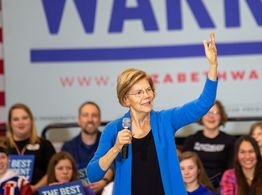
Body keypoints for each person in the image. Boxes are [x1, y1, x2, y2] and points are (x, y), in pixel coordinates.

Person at [87, 32, 219, 195]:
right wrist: (116, 148)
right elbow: (93, 175)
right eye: (139, 92)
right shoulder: (113, 130)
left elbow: (203, 104)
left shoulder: (165, 120)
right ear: (125, 100)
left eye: (149, 90)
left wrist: (213, 66)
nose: (147, 96)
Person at [62, 101, 113, 193]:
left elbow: (115, 166)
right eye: (85, 115)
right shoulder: (68, 147)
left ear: (99, 120)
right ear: (79, 120)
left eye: (94, 115)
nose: (90, 119)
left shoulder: (110, 143)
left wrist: (103, 181)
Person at [183, 100, 237, 187]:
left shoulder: (230, 141)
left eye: (215, 113)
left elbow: (232, 170)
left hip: (222, 188)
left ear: (221, 116)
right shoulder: (191, 140)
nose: (211, 116)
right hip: (195, 187)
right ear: (201, 116)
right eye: (207, 112)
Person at [5, 103, 57, 192]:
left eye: (25, 118)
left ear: (31, 120)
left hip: (38, 191)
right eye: (16, 119)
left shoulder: (44, 144)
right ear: (10, 123)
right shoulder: (3, 146)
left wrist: (35, 188)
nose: (21, 122)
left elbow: (53, 170)